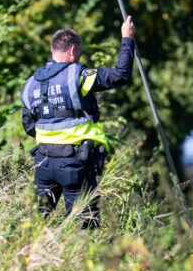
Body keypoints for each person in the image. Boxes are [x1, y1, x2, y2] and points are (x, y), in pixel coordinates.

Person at [21, 15, 136, 228]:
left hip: (43, 162)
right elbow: (120, 75)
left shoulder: (31, 83)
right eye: (80, 53)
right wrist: (127, 39)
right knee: (85, 228)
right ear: (73, 51)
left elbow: (28, 125)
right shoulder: (78, 75)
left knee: (37, 226)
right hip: (75, 163)